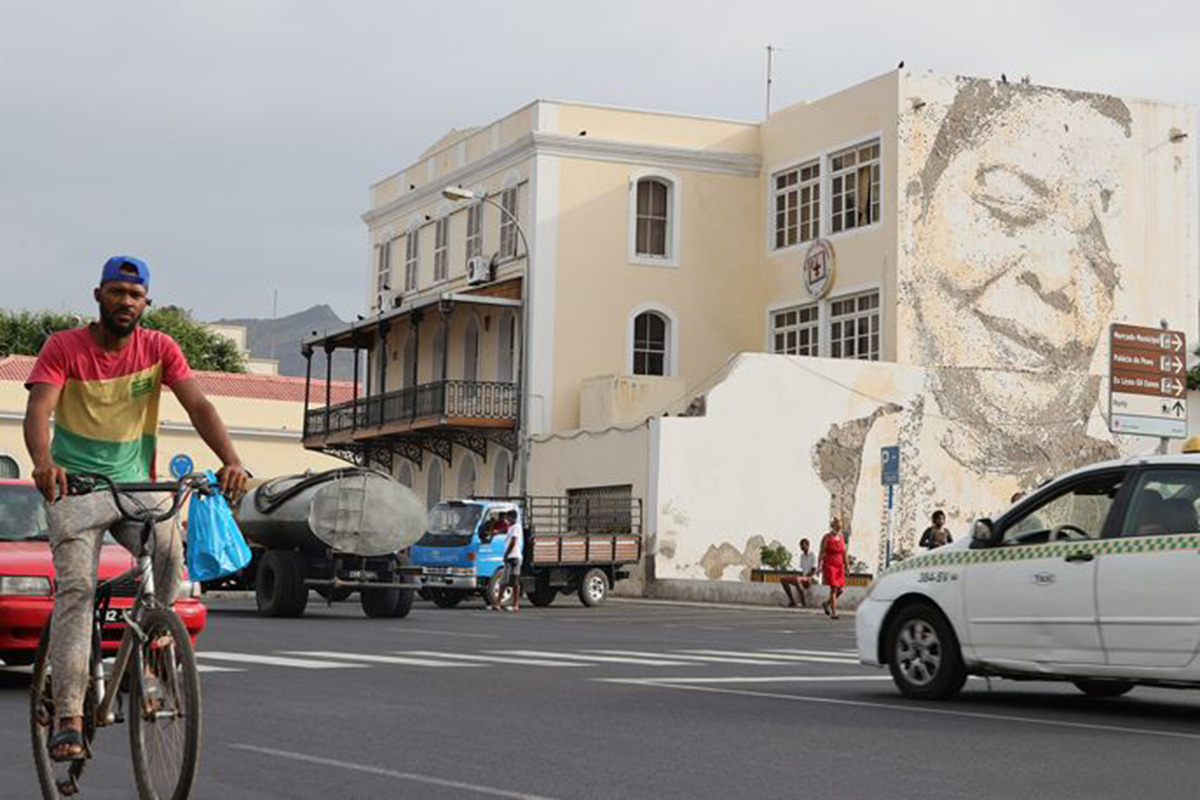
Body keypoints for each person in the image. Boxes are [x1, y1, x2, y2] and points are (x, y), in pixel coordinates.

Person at [23, 256, 249, 762]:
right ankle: (68, 715)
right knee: (78, 589)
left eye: (135, 295)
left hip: (135, 485)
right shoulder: (64, 347)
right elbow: (39, 409)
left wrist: (231, 459)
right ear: (98, 295)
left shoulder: (159, 348)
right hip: (76, 488)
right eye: (117, 292)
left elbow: (200, 407)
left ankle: (155, 646)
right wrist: (43, 462)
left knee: (170, 550)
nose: (126, 302)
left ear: (146, 303)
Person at [492, 509, 523, 612]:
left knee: (511, 582)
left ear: (512, 517)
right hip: (512, 557)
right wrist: (497, 532)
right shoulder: (511, 527)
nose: (506, 519)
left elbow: (513, 541)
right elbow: (505, 530)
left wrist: (506, 554)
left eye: (508, 517)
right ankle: (499, 604)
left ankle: (514, 604)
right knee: (506, 582)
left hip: (513, 557)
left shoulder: (517, 527)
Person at [818, 518, 846, 620]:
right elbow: (821, 552)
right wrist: (818, 566)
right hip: (829, 564)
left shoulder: (841, 537)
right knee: (833, 589)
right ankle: (834, 613)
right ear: (833, 526)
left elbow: (844, 553)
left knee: (840, 590)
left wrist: (847, 566)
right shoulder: (827, 537)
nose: (839, 528)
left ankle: (826, 603)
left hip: (839, 565)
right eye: (838, 526)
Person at [779, 537, 817, 608]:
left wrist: (805, 577)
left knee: (797, 579)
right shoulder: (802, 556)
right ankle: (792, 601)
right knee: (783, 579)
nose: (801, 547)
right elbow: (802, 570)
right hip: (803, 577)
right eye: (800, 546)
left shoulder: (813, 555)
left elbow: (814, 570)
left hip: (810, 578)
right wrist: (799, 576)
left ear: (807, 545)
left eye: (803, 545)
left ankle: (803, 603)